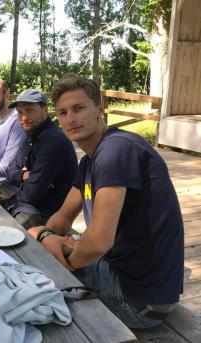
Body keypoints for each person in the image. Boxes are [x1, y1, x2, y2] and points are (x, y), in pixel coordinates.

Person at [28, 75, 184, 329]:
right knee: (35, 232)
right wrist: (48, 234)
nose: (70, 119)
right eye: (63, 113)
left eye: (79, 108)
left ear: (99, 110)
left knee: (35, 277)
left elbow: (99, 241)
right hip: (129, 277)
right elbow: (63, 217)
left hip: (140, 301)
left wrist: (61, 259)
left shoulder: (116, 150)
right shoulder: (89, 160)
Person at [4, 89, 77, 229]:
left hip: (45, 213)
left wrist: (24, 177)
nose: (24, 117)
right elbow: (10, 172)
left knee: (5, 236)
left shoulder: (52, 141)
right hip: (24, 204)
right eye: (20, 112)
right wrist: (24, 175)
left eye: (30, 110)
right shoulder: (31, 134)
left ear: (44, 110)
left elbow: (31, 193)